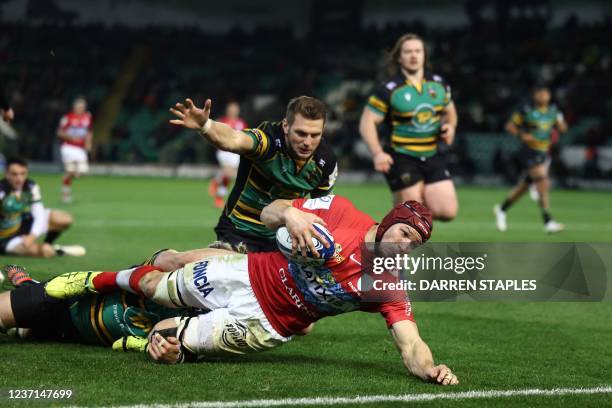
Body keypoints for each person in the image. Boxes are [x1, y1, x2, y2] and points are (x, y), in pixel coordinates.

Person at [44, 195, 459, 386]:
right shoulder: (339, 212)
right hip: (245, 274)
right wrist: (291, 216)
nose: (406, 245)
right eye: (405, 232)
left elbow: (411, 342)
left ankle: (132, 338)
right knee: (154, 285)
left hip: (267, 325)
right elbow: (269, 211)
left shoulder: (386, 282)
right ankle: (91, 279)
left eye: (415, 244)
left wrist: (430, 368)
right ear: (389, 222)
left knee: (168, 341)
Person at [163, 95, 337, 257]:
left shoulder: (325, 162)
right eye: (301, 133)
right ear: (286, 126)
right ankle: (160, 264)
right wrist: (206, 125)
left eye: (315, 135)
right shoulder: (268, 140)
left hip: (282, 238)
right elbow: (233, 139)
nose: (307, 142)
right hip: (239, 230)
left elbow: (320, 209)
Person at [359, 33, 458, 221]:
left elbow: (450, 112)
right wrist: (377, 152)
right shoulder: (389, 89)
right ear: (399, 57)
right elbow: (366, 123)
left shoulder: (438, 84)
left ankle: (403, 207)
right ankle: (395, 227)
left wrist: (450, 127)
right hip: (401, 156)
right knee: (413, 218)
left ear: (424, 55)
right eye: (408, 52)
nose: (414, 56)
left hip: (432, 153)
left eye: (418, 51)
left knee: (448, 212)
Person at [0, 265, 184, 349]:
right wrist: (92, 280)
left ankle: (29, 285)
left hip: (73, 334)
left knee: (28, 332)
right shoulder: (191, 272)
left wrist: (152, 347)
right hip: (73, 299)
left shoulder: (204, 322)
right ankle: (30, 287)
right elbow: (165, 260)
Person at [494, 85, 568, 233]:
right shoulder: (526, 110)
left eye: (545, 93)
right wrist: (522, 135)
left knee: (523, 187)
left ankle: (501, 209)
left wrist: (559, 124)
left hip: (544, 152)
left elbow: (563, 129)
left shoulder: (554, 111)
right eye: (539, 93)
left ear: (549, 96)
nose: (542, 96)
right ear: (534, 96)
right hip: (529, 151)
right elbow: (510, 126)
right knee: (543, 181)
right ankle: (548, 221)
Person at [0, 157, 85, 257]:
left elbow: (39, 214)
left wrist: (32, 236)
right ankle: (57, 250)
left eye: (23, 173)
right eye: (15, 174)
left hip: (22, 222)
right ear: (7, 174)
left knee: (64, 219)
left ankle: (48, 244)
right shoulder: (2, 190)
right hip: (5, 236)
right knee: (45, 252)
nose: (19, 178)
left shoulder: (30, 186)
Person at [209, 101, 248, 209]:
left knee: (228, 177)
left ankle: (218, 192)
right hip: (224, 150)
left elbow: (244, 136)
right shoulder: (223, 121)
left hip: (235, 151)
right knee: (229, 173)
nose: (233, 111)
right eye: (231, 109)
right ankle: (216, 185)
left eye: (235, 109)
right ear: (228, 110)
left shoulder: (241, 123)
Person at [57, 97, 93, 203]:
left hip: (80, 149)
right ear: (74, 107)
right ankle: (66, 193)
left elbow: (89, 132)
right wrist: (71, 138)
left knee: (82, 171)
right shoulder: (67, 118)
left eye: (82, 107)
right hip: (68, 147)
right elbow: (59, 132)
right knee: (72, 170)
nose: (80, 109)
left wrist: (88, 143)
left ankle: (66, 178)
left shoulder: (87, 117)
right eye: (78, 107)